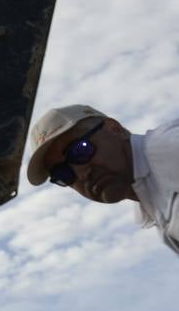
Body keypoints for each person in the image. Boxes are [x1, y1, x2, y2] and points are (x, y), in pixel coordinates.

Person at [25, 104, 179, 256]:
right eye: (63, 173)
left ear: (115, 129)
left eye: (80, 150)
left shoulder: (170, 147)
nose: (81, 174)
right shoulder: (153, 207)